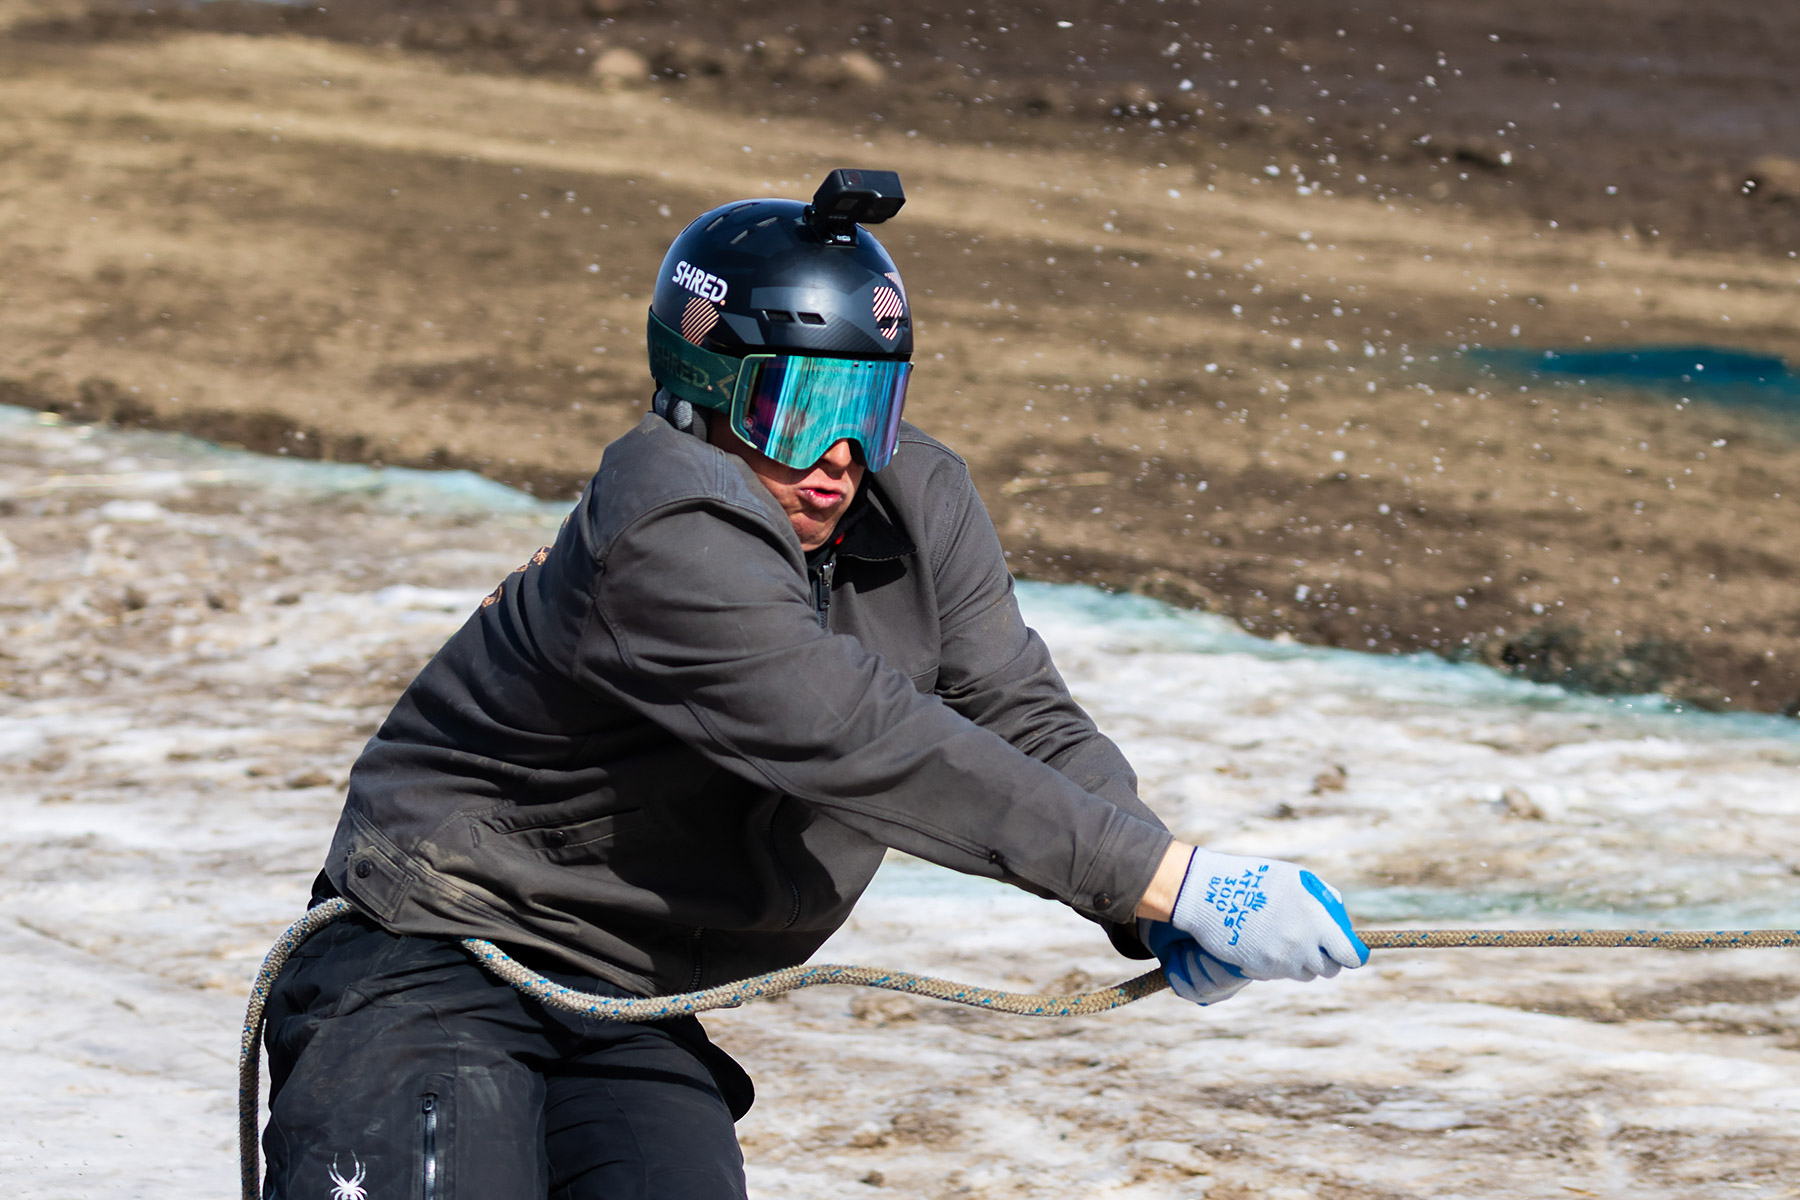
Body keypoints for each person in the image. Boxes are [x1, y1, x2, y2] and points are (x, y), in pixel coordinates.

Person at [259, 169, 1367, 1200]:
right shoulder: (665, 519)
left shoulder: (920, 500)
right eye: (800, 410)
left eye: (868, 407)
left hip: (637, 1002)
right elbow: (859, 735)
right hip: (433, 952)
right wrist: (1171, 880)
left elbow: (1018, 712)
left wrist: (1149, 898)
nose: (841, 456)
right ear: (703, 386)